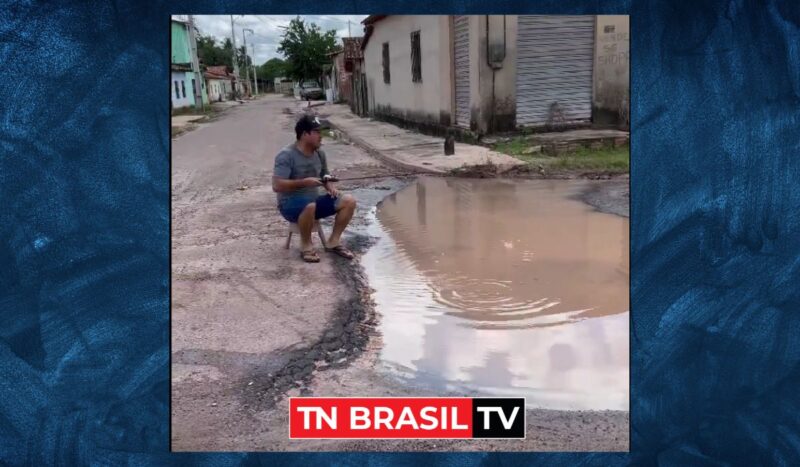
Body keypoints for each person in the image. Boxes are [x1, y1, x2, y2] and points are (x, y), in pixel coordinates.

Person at [272, 115, 357, 262]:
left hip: (313, 201)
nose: (321, 136)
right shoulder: (286, 155)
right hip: (289, 204)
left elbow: (325, 175)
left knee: (348, 201)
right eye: (317, 132)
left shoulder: (319, 153)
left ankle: (333, 242)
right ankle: (306, 246)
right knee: (309, 205)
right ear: (305, 134)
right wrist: (304, 182)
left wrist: (329, 184)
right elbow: (276, 185)